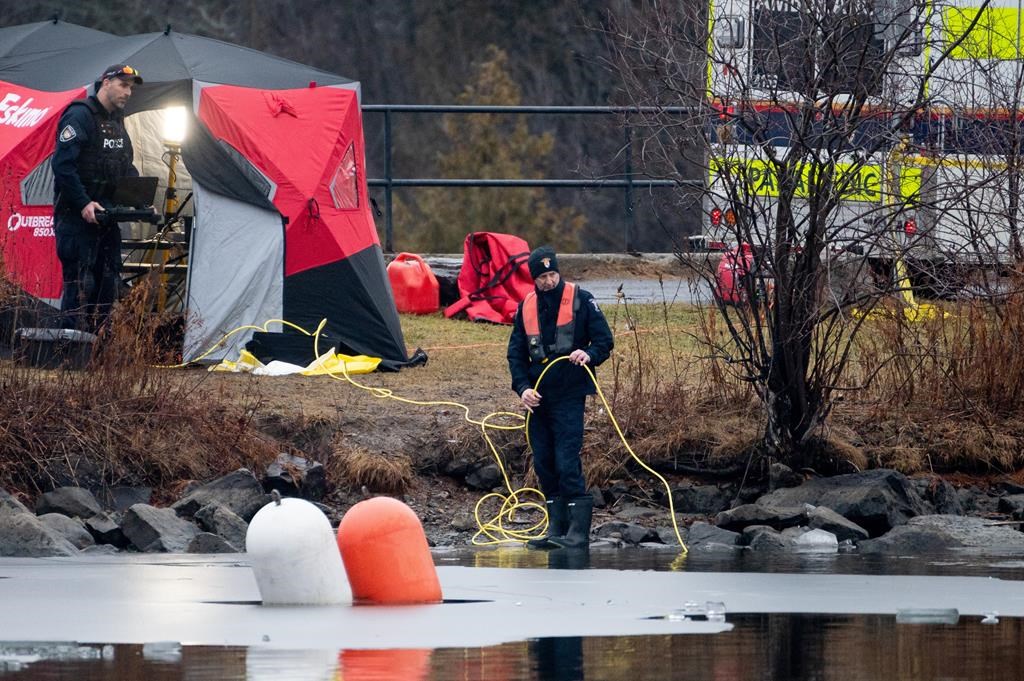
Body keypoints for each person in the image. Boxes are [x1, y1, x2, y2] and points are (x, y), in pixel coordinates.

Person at [507, 245, 614, 549]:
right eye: (543, 277)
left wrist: (589, 353)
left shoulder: (582, 299)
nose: (549, 281)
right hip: (538, 398)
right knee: (544, 462)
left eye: (553, 274)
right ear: (534, 280)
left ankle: (578, 534)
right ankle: (557, 529)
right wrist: (522, 389)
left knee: (567, 460)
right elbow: (515, 354)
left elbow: (605, 341)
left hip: (570, 394)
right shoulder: (524, 307)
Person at [52, 64, 143, 331]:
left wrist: (139, 198)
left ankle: (98, 356)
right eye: (123, 85)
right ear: (106, 82)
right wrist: (83, 203)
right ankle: (71, 354)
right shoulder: (79, 116)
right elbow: (62, 167)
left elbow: (124, 166)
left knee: (107, 283)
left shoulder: (116, 120)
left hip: (107, 218)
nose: (128, 92)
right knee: (80, 285)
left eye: (131, 88)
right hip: (76, 219)